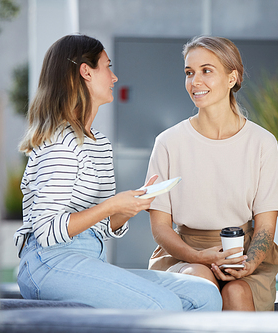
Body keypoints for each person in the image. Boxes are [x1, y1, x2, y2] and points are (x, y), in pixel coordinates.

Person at [13, 34, 222, 311]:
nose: (114, 77)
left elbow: (98, 227)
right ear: (86, 72)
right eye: (107, 67)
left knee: (204, 295)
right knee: (164, 305)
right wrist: (112, 204)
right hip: (48, 264)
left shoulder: (99, 144)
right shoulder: (60, 144)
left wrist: (126, 209)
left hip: (88, 260)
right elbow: (47, 231)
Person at [145, 36, 278, 311]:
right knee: (200, 284)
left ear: (232, 78)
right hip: (183, 255)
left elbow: (266, 227)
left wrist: (249, 264)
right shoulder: (168, 142)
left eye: (206, 71)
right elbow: (160, 227)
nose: (195, 81)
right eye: (189, 73)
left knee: (236, 293)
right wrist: (197, 256)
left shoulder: (262, 142)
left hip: (244, 255)